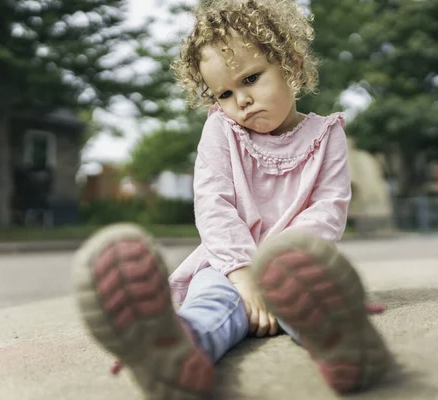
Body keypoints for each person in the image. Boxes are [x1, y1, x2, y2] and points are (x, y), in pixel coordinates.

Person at [72, 0, 394, 398]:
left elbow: (328, 210)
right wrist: (243, 274)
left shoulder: (328, 136)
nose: (239, 100)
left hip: (294, 270)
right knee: (212, 306)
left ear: (291, 64)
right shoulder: (222, 130)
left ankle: (343, 344)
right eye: (224, 92)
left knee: (307, 306)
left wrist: (279, 270)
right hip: (226, 265)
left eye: (251, 78)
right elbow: (213, 205)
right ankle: (173, 352)